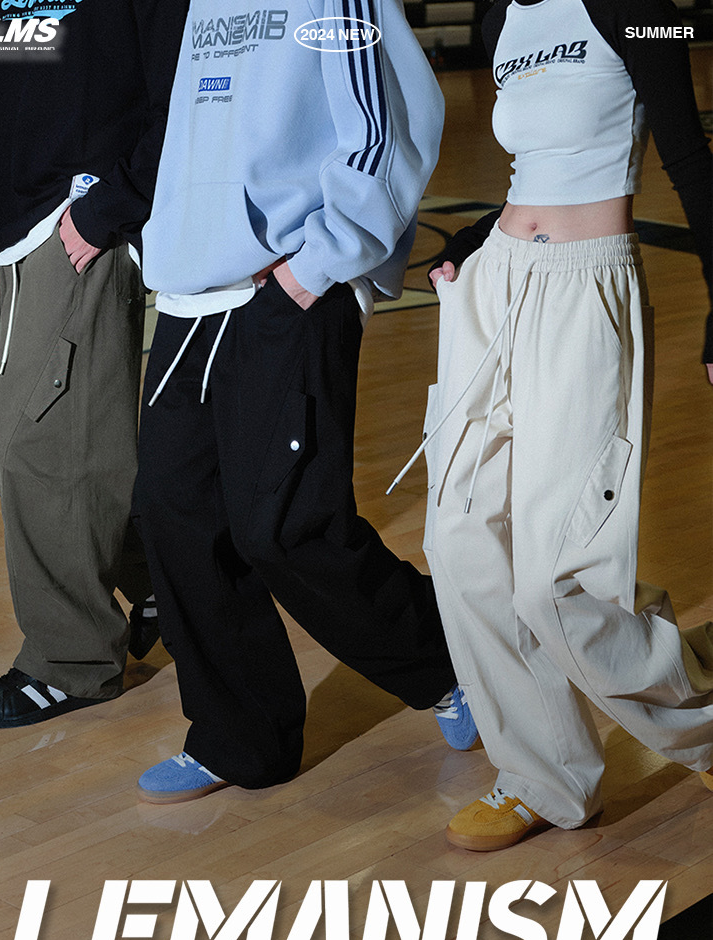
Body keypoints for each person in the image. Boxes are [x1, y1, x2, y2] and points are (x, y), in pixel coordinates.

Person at [132, 0, 478, 803]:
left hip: (288, 284)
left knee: (287, 527)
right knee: (175, 514)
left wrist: (314, 265)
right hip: (191, 293)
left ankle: (457, 665)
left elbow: (388, 125)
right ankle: (238, 735)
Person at [411, 0, 713, 849]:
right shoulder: (504, 14)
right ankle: (543, 778)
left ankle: (701, 719)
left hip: (587, 291)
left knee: (556, 580)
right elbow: (535, 169)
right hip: (495, 286)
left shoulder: (639, 9)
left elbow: (690, 157)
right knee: (459, 543)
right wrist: (473, 241)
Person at [0, 0, 189, 728]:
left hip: (78, 224)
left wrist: (108, 208)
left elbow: (187, 92)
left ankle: (74, 661)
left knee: (49, 447)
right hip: (9, 229)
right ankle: (158, 574)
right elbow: (15, 81)